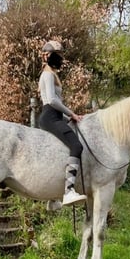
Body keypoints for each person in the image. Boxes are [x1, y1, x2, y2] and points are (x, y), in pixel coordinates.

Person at [38, 40, 88, 205]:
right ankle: (68, 192)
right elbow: (51, 100)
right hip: (50, 117)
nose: (61, 59)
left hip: (55, 116)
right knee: (76, 146)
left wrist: (69, 118)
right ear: (48, 56)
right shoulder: (47, 75)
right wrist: (71, 113)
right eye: (58, 56)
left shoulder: (51, 74)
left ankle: (52, 198)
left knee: (60, 151)